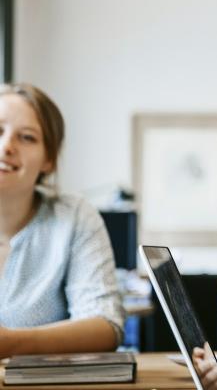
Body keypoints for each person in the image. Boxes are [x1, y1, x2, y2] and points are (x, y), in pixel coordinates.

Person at [0, 83, 124, 358]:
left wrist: (11, 344)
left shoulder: (74, 217)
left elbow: (107, 325)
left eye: (27, 137)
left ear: (49, 160)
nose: (6, 146)